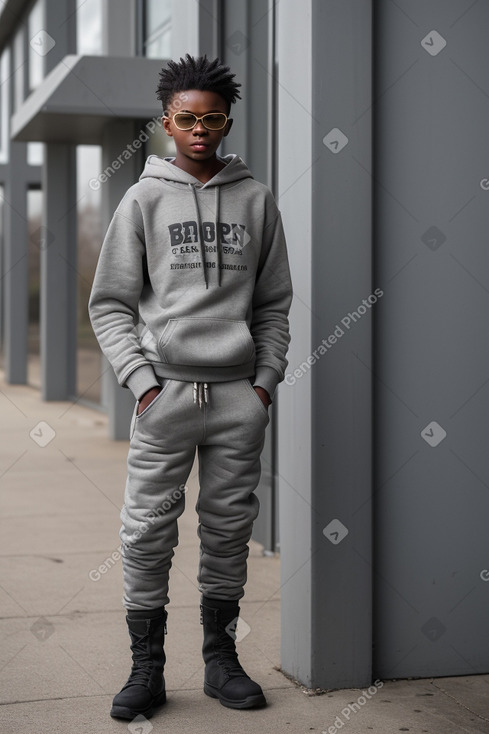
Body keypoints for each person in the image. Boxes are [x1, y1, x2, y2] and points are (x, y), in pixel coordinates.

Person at [89, 53, 292, 721]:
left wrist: (263, 381)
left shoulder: (256, 199)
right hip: (166, 397)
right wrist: (141, 381)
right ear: (166, 122)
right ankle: (145, 668)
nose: (199, 129)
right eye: (186, 118)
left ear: (226, 120)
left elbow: (272, 304)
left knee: (229, 532)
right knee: (147, 531)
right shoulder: (142, 198)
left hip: (238, 398)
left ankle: (220, 660)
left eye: (211, 118)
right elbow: (110, 302)